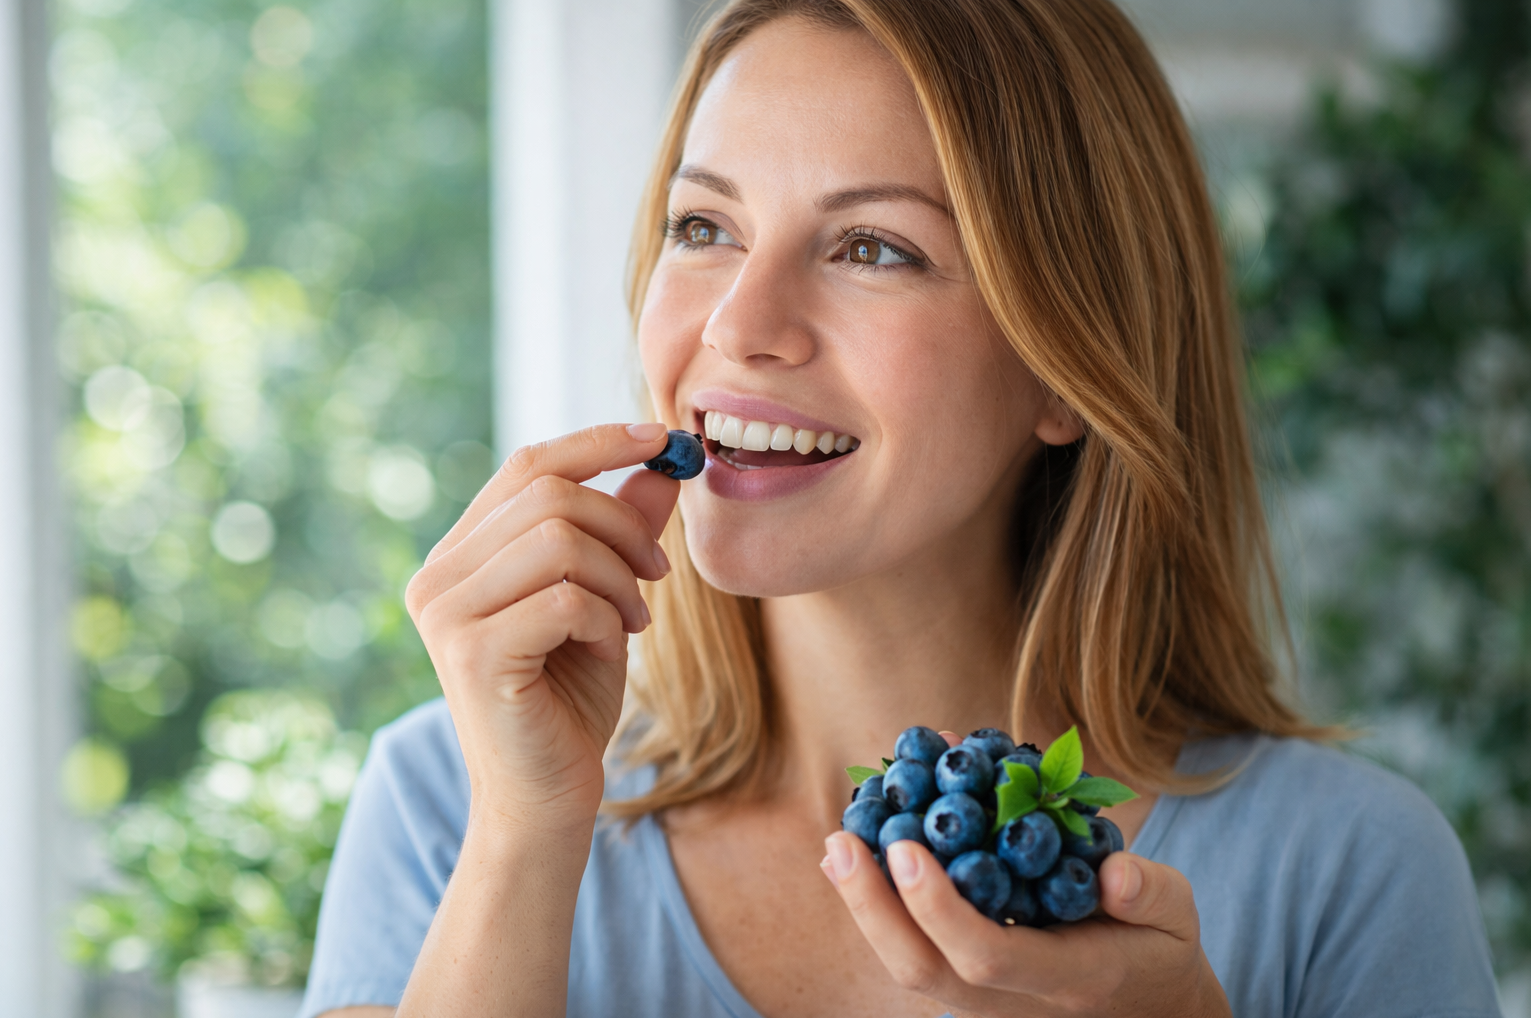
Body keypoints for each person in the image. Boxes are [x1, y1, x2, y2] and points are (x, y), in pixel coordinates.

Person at [299, 1, 1501, 1016]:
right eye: (702, 226)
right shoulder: (448, 799)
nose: (736, 326)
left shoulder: (1349, 870)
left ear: (1062, 364)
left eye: (872, 247)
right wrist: (521, 843)